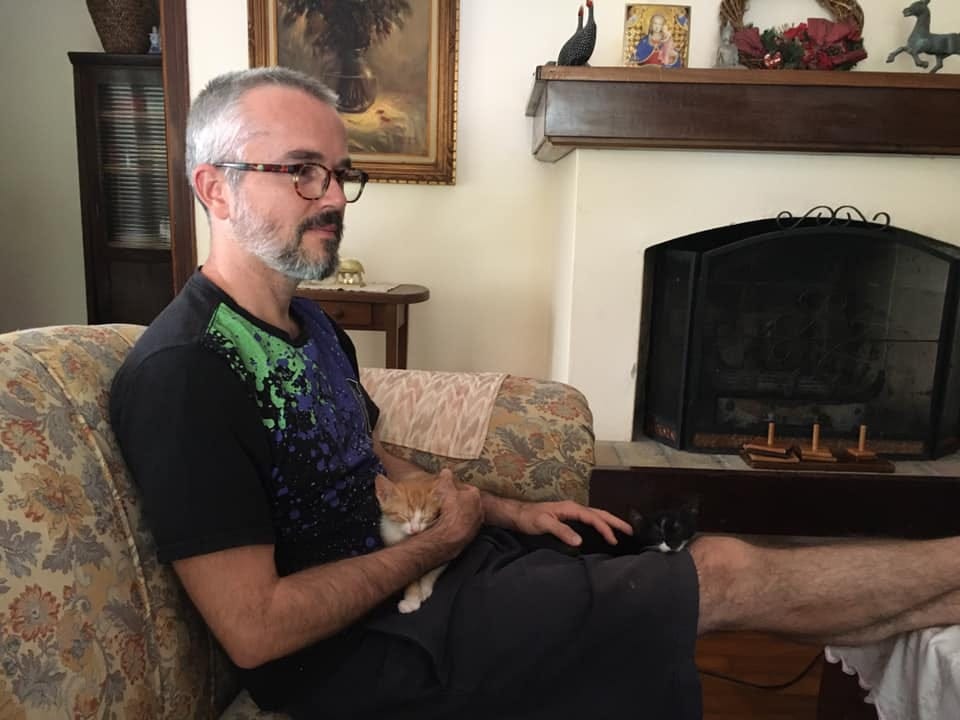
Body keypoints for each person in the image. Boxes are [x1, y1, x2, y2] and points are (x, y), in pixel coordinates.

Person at [111, 67, 960, 719]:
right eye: (301, 171)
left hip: (425, 587)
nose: (333, 197)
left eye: (338, 173)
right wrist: (434, 547)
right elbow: (255, 630)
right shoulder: (185, 373)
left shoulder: (308, 325)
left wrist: (507, 511)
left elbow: (367, 453)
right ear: (213, 188)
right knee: (719, 570)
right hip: (359, 654)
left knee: (641, 557)